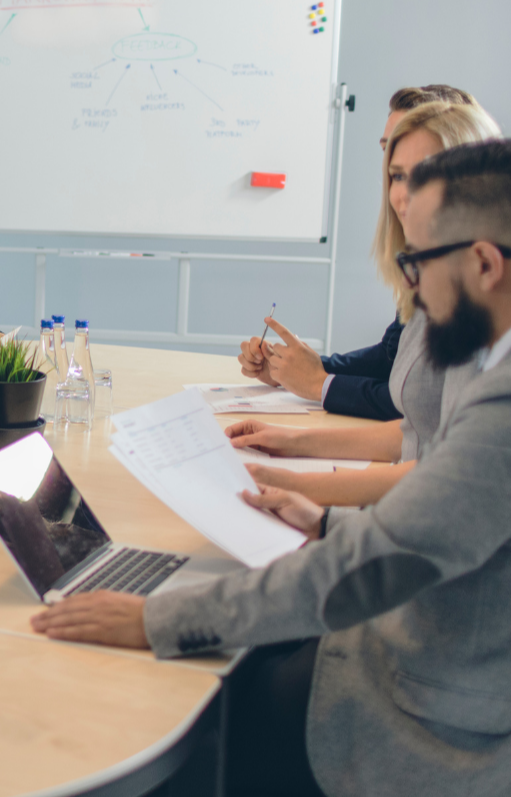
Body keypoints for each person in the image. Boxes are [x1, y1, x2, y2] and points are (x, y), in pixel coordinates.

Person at [31, 139, 511, 797]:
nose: (410, 284)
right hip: (422, 654)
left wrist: (155, 621)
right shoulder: (493, 368)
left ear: (485, 264)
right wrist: (326, 523)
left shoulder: (504, 406)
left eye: (419, 259)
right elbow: (448, 533)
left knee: (202, 703)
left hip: (436, 721)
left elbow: (377, 565)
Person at [230, 101, 501, 507]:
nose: (405, 194)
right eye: (396, 174)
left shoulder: (479, 313)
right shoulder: (427, 291)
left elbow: (447, 476)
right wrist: (291, 440)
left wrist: (299, 489)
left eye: (425, 174)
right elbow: (414, 429)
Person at [239, 85, 484, 421]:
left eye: (421, 166)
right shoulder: (421, 260)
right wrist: (296, 368)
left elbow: (413, 406)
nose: (399, 187)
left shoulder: (476, 279)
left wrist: (318, 383)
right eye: (392, 162)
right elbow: (391, 358)